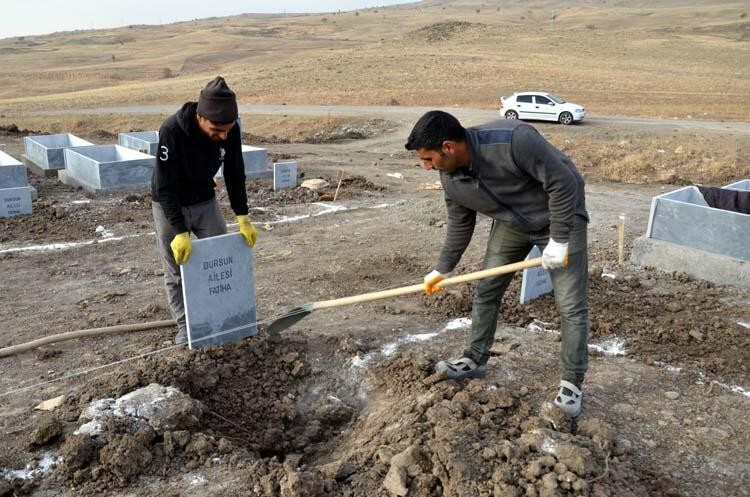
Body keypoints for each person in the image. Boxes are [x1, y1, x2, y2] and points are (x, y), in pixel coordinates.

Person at [405, 111, 589, 417]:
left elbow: (564, 184)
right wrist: (442, 268)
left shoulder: (513, 140)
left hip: (561, 218)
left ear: (448, 147)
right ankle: (473, 359)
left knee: (570, 304)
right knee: (487, 289)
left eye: (427, 159)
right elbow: (459, 223)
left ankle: (571, 383)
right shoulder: (450, 176)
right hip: (512, 224)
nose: (426, 167)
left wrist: (558, 239)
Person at [151, 76, 258, 345]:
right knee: (177, 268)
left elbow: (235, 172)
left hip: (204, 200)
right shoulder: (172, 131)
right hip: (169, 203)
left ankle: (227, 317)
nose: (223, 136)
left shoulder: (230, 130)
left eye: (227, 130)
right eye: (216, 130)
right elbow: (164, 185)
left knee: (223, 259)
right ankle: (187, 326)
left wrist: (242, 215)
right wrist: (179, 230)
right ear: (200, 117)